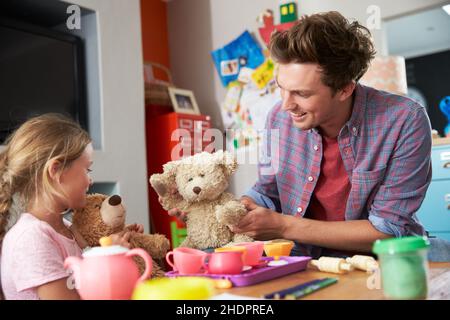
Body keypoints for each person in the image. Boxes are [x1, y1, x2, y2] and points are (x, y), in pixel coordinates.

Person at [167, 11, 432, 259]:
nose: (286, 105)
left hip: (384, 263)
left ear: (344, 89)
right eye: (282, 88)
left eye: (302, 94)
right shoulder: (278, 118)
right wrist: (230, 211)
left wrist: (284, 226)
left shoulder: (404, 121)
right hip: (304, 262)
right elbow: (267, 191)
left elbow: (386, 230)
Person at [0, 114, 143, 300]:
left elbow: (86, 275)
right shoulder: (32, 239)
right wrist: (106, 262)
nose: (90, 180)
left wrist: (109, 250)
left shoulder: (67, 228)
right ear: (56, 170)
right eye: (87, 169)